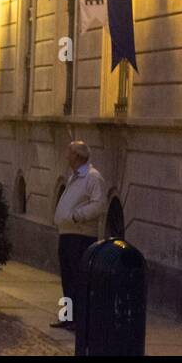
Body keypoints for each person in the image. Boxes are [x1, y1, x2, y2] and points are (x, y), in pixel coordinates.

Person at [51, 139, 106, 331]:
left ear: (77, 156)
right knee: (67, 278)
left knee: (78, 278)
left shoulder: (92, 177)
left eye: (69, 152)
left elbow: (99, 205)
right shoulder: (75, 176)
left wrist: (77, 216)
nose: (67, 156)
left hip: (80, 235)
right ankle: (68, 316)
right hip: (67, 233)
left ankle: (79, 319)